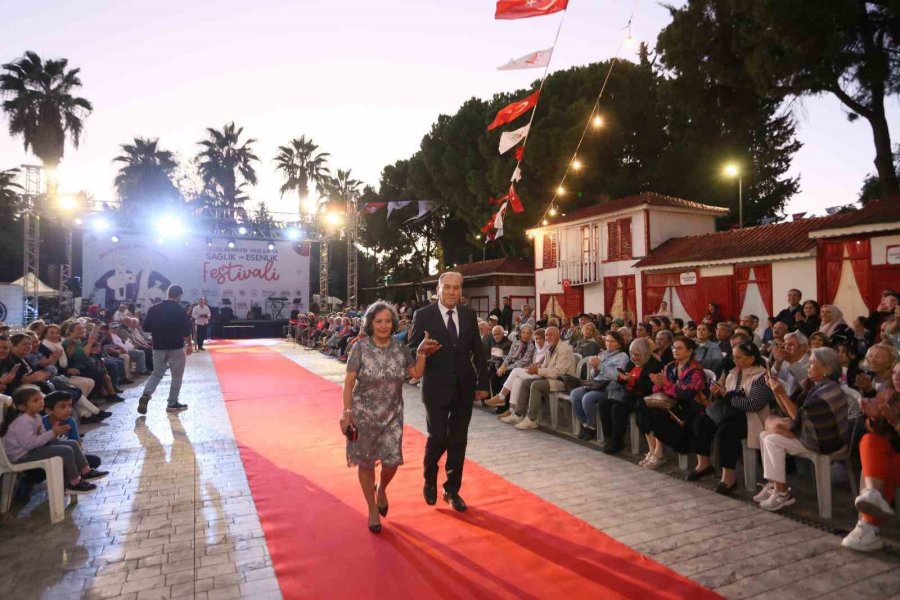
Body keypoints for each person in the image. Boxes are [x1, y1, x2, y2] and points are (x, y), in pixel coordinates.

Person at [340, 302, 436, 533]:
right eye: (378, 321)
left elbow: (415, 373)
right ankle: (373, 509)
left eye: (388, 321)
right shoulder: (360, 348)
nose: (384, 326)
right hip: (364, 414)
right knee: (365, 462)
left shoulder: (399, 348)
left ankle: (381, 488)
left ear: (393, 323)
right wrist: (347, 412)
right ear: (370, 323)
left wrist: (421, 352)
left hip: (393, 414)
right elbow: (349, 382)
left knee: (392, 461)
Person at [408, 272, 489, 512]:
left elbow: (478, 350)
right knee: (438, 438)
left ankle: (452, 489)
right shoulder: (423, 315)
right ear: (439, 289)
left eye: (457, 288)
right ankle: (429, 478)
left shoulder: (468, 314)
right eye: (448, 287)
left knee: (458, 441)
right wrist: (421, 349)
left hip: (464, 387)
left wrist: (483, 383)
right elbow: (411, 347)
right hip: (435, 388)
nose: (453, 292)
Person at [756, 347, 849, 511]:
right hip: (811, 432)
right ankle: (773, 485)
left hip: (825, 440)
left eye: (812, 363)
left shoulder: (827, 392)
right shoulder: (814, 384)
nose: (808, 366)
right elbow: (789, 410)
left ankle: (783, 494)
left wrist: (782, 395)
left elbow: (797, 417)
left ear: (826, 368)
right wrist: (777, 392)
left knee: (771, 439)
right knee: (765, 434)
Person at [692, 342, 775, 494]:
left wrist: (726, 395)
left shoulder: (762, 377)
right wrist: (718, 392)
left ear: (750, 359)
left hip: (751, 419)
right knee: (702, 421)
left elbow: (753, 405)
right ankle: (704, 464)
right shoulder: (734, 373)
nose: (734, 360)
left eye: (738, 357)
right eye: (733, 357)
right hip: (731, 413)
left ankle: (729, 477)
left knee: (726, 432)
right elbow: (727, 396)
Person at [1, 385, 106, 494]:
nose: (41, 402)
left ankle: (86, 472)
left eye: (41, 398)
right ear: (22, 407)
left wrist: (56, 438)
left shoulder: (36, 417)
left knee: (72, 444)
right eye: (35, 400)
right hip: (22, 455)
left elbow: (43, 437)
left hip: (32, 450)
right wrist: (53, 432)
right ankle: (73, 483)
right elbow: (30, 444)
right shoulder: (23, 421)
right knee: (65, 451)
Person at [640, 337, 707, 469]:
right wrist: (658, 383)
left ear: (689, 351)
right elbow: (658, 390)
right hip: (671, 404)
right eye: (674, 347)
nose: (675, 350)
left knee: (659, 415)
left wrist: (665, 384)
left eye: (679, 348)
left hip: (688, 408)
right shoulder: (670, 366)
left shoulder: (695, 370)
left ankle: (659, 453)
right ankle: (654, 450)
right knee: (643, 409)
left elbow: (685, 394)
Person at [501, 326, 576, 431]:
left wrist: (538, 371)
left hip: (563, 380)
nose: (548, 337)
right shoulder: (550, 347)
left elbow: (558, 372)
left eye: (551, 334)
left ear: (558, 335)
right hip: (550, 378)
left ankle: (531, 419)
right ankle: (518, 414)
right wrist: (535, 367)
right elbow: (545, 365)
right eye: (546, 335)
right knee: (526, 382)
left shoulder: (564, 349)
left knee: (536, 385)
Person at [599, 338, 663, 455]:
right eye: (632, 354)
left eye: (637, 354)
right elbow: (624, 379)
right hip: (628, 394)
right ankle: (609, 438)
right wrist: (622, 378)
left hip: (644, 397)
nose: (634, 357)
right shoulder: (631, 362)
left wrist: (632, 381)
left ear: (645, 352)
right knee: (604, 404)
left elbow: (651, 388)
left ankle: (617, 442)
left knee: (617, 409)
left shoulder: (655, 365)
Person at [138, 285, 193, 415]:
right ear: (179, 295)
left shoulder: (153, 309)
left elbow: (145, 328)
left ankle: (146, 395)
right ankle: (172, 403)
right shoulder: (180, 310)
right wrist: (189, 344)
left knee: (157, 373)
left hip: (158, 347)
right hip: (176, 347)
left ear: (168, 293)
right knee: (177, 376)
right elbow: (186, 330)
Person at [570, 331, 630, 442]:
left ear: (619, 344)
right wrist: (595, 369)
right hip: (596, 384)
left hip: (610, 387)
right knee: (574, 394)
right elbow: (594, 374)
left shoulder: (622, 357)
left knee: (588, 398)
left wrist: (600, 366)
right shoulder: (603, 354)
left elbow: (616, 376)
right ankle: (585, 424)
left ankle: (593, 427)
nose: (609, 343)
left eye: (612, 341)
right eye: (607, 340)